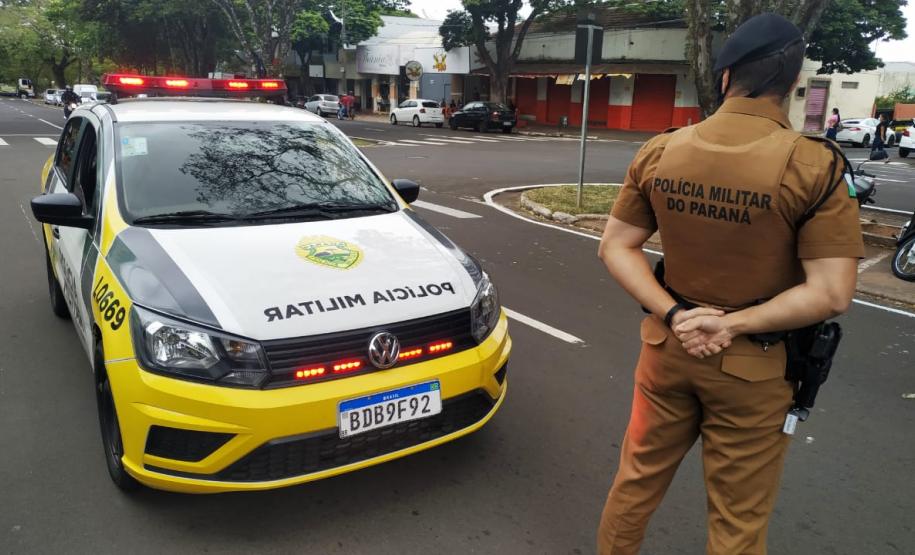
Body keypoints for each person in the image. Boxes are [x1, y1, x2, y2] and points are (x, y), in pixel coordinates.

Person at [596, 13, 863, 555]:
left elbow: (615, 246)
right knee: (737, 522)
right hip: (754, 369)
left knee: (634, 484)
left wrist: (676, 315)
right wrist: (730, 325)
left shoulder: (661, 150)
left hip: (667, 349)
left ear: (725, 77)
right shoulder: (815, 165)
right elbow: (832, 292)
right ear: (793, 81)